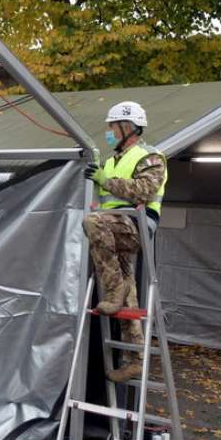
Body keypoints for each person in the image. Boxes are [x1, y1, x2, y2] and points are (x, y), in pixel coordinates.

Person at [82, 101, 167, 382]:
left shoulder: (151, 157)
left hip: (136, 225)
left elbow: (143, 190)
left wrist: (106, 181)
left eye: (112, 127)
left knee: (92, 222)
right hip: (113, 228)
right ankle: (135, 358)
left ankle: (113, 289)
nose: (109, 132)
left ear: (127, 127)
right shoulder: (109, 161)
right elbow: (104, 198)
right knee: (129, 292)